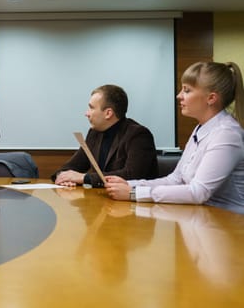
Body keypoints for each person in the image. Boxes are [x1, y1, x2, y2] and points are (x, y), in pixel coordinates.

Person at [105, 62, 244, 214]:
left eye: (187, 90)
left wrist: (134, 194)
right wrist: (130, 184)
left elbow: (199, 192)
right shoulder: (201, 128)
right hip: (204, 217)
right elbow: (176, 179)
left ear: (211, 98)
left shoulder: (227, 134)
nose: (179, 96)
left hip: (231, 225)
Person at [52, 84, 158, 187]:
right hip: (103, 199)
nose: (87, 113)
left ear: (108, 113)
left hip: (133, 202)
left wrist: (85, 178)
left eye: (91, 108)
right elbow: (72, 167)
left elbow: (132, 175)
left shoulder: (138, 135)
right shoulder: (94, 133)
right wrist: (62, 177)